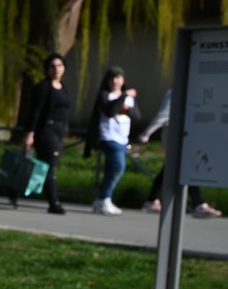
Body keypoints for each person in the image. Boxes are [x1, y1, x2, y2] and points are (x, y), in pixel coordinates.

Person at [138, 89, 222, 218]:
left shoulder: (196, 88)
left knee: (170, 169)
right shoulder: (175, 91)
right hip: (175, 136)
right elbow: (164, 113)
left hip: (188, 136)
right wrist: (146, 133)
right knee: (187, 167)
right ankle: (199, 204)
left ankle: (151, 200)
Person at [18, 53, 72, 215]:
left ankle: (17, 188)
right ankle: (53, 203)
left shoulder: (63, 87)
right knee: (49, 166)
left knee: (45, 166)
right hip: (46, 131)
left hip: (58, 132)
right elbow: (36, 111)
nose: (56, 69)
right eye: (52, 66)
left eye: (59, 66)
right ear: (47, 69)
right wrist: (30, 133)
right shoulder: (43, 87)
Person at [83, 66, 136, 216]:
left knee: (110, 170)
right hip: (108, 137)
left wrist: (127, 103)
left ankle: (102, 199)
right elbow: (110, 111)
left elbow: (137, 116)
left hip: (123, 140)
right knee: (119, 167)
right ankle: (104, 198)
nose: (115, 81)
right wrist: (123, 97)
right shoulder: (105, 95)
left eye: (118, 77)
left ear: (123, 80)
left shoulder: (128, 98)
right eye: (112, 78)